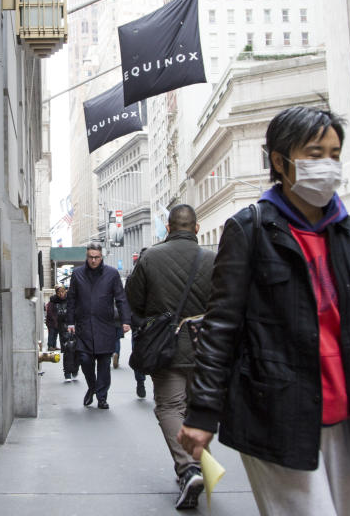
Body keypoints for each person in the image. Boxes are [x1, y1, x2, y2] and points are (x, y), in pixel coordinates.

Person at [178, 106, 350, 516]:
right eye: (313, 153)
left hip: (344, 413)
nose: (327, 165)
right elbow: (222, 327)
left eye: (334, 153)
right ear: (279, 160)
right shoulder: (249, 229)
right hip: (275, 412)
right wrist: (202, 414)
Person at [126, 205, 216, 510]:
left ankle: (189, 468)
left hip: (167, 348)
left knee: (169, 407)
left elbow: (134, 301)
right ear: (197, 228)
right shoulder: (213, 259)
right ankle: (196, 464)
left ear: (168, 226)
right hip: (206, 350)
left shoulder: (151, 256)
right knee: (197, 410)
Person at [65, 242, 131, 409]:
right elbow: (71, 299)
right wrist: (70, 322)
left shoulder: (112, 274)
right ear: (86, 257)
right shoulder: (77, 274)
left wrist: (126, 320)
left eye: (96, 257)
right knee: (85, 359)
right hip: (84, 325)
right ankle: (92, 387)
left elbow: (121, 299)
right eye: (90, 257)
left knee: (104, 363)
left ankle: (102, 397)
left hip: (105, 326)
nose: (93, 260)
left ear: (102, 257)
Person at [44, 286, 65, 350]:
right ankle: (50, 346)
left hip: (57, 321)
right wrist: (54, 319)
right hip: (51, 322)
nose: (61, 293)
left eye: (62, 292)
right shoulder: (52, 301)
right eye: (59, 292)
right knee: (51, 334)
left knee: (55, 334)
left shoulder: (61, 300)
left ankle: (54, 346)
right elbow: (50, 312)